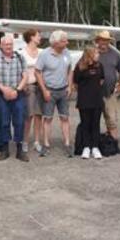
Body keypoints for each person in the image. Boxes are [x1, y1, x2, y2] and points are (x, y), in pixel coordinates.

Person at [0, 35, 29, 162]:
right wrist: (3, 88)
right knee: (4, 122)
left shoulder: (20, 57)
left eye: (10, 44)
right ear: (1, 45)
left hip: (18, 94)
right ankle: (5, 149)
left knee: (19, 122)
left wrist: (17, 90)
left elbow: (25, 76)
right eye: (6, 44)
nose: (8, 47)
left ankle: (19, 150)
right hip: (2, 95)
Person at [35, 30, 74, 158]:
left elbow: (70, 70)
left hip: (63, 90)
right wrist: (44, 90)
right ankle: (46, 145)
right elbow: (37, 72)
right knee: (47, 118)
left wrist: (69, 85)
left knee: (65, 117)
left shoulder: (67, 52)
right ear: (56, 42)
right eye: (64, 41)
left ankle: (67, 144)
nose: (67, 42)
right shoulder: (45, 54)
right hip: (49, 91)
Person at [73, 46, 105, 160]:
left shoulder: (99, 66)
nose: (98, 55)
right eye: (96, 53)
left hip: (97, 100)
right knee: (85, 124)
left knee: (96, 124)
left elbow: (102, 80)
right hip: (84, 101)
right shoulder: (79, 67)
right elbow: (75, 83)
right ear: (90, 54)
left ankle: (95, 147)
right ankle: (86, 147)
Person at [95, 30, 120, 153]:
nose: (104, 42)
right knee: (94, 120)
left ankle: (114, 145)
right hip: (94, 94)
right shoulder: (92, 53)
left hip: (110, 93)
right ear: (97, 41)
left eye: (106, 40)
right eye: (102, 40)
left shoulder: (115, 55)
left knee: (111, 120)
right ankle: (93, 145)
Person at [19, 29, 43, 154]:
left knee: (39, 115)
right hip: (28, 87)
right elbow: (19, 71)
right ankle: (25, 141)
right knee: (28, 115)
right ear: (31, 37)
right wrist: (22, 86)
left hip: (40, 87)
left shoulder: (42, 52)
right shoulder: (22, 53)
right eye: (38, 36)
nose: (40, 38)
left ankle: (37, 141)